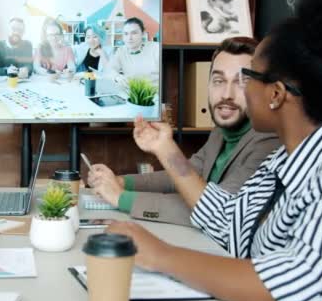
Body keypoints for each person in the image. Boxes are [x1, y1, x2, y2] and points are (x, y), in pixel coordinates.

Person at [108, 0, 322, 301]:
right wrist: (166, 149)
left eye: (248, 76)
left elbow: (301, 287)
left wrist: (160, 255)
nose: (234, 92)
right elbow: (227, 221)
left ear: (275, 94)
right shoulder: (281, 163)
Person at [88, 37, 279, 226]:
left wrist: (121, 198)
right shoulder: (222, 132)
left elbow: (213, 211)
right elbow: (183, 174)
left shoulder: (269, 141)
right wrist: (122, 182)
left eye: (241, 82)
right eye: (219, 80)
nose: (226, 94)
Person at [108, 17, 159, 87]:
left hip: (154, 94)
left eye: (134, 33)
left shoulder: (156, 48)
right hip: (132, 93)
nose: (129, 38)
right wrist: (117, 77)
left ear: (143, 34)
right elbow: (110, 69)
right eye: (126, 34)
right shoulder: (121, 51)